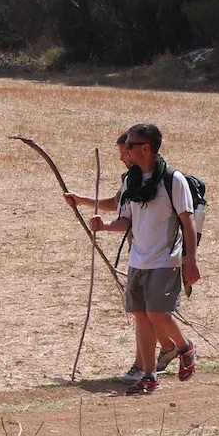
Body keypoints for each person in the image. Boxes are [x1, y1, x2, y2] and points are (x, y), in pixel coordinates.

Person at [86, 124, 200, 395]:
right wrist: (103, 227)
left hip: (165, 260)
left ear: (145, 148)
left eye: (130, 146)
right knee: (142, 319)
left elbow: (188, 220)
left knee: (157, 314)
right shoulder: (131, 181)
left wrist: (191, 260)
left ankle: (185, 347)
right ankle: (149, 376)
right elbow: (126, 220)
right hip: (138, 260)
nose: (125, 151)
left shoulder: (174, 180)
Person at [64, 132, 180, 385]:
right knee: (147, 313)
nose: (121, 158)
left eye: (125, 152)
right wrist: (83, 201)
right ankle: (168, 349)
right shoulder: (132, 179)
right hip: (139, 255)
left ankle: (144, 364)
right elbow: (119, 205)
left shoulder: (162, 180)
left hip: (159, 257)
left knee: (150, 313)